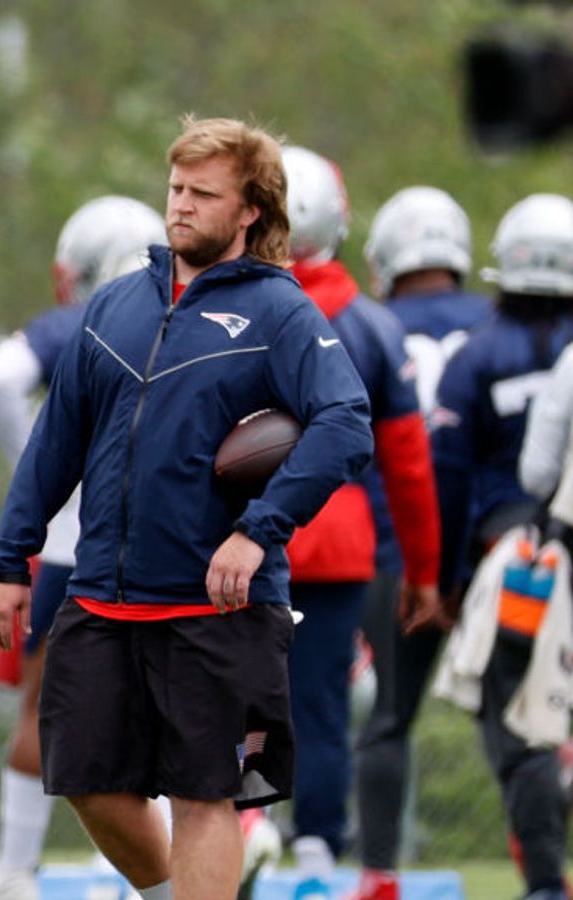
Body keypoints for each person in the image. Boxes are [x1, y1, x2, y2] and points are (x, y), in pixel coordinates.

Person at [0, 116, 373, 900]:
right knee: (84, 779)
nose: (181, 207)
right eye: (176, 189)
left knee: (206, 794)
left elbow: (345, 422)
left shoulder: (279, 311)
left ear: (250, 210)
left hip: (219, 605)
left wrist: (259, 533)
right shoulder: (116, 305)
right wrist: (7, 558)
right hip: (101, 597)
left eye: (203, 194)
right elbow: (53, 445)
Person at [0, 196, 167, 900]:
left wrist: (42, 470)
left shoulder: (81, 324)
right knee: (164, 722)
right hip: (172, 551)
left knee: (48, 712)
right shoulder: (193, 324)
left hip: (77, 549)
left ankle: (16, 872)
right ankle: (151, 880)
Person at [274, 148, 440, 900]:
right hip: (336, 541)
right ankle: (313, 846)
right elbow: (407, 464)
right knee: (321, 702)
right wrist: (424, 568)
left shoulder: (218, 308)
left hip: (232, 533)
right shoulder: (370, 327)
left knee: (225, 692)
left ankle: (241, 827)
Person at [352, 185, 493, 900]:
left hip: (396, 552)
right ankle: (543, 867)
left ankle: (378, 875)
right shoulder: (502, 321)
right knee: (523, 719)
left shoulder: (367, 324)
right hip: (493, 551)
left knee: (388, 719)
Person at [431, 193, 573, 900]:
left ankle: (547, 883)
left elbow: (452, 479)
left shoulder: (477, 356)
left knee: (522, 723)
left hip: (519, 560)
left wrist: (447, 577)